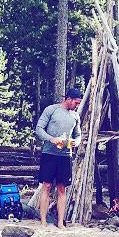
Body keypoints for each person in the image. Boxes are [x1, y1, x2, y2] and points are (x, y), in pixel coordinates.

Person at [35, 87, 83, 227]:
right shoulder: (51, 110)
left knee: (62, 188)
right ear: (68, 99)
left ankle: (61, 223)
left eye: (79, 103)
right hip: (49, 154)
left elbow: (78, 135)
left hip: (65, 156)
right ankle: (43, 221)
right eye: (75, 102)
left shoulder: (75, 116)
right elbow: (39, 129)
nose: (77, 105)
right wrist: (51, 139)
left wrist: (77, 142)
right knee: (47, 186)